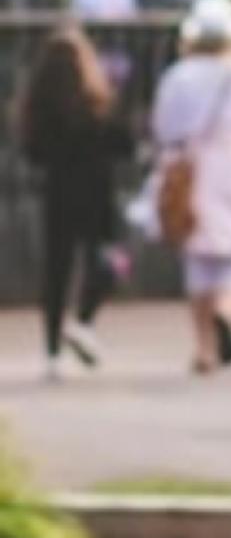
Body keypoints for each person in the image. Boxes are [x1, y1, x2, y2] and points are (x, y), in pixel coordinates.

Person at [150, 0, 231, 376]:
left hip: (193, 165)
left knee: (198, 256)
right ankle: (227, 311)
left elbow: (163, 128)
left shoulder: (178, 77)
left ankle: (204, 346)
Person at [17, 26, 131, 380]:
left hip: (57, 192)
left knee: (56, 272)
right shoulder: (98, 101)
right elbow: (123, 144)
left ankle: (52, 352)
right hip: (97, 191)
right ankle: (83, 320)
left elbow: (32, 153)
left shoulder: (38, 106)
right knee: (109, 259)